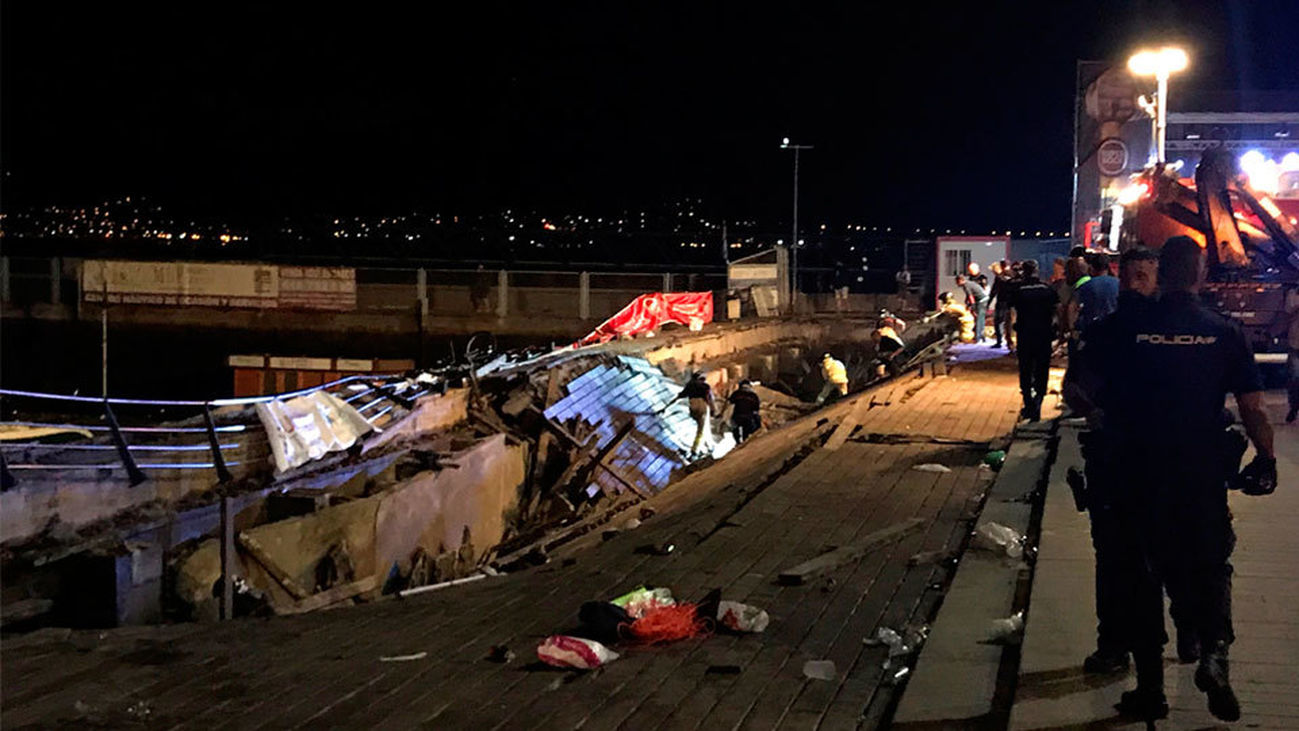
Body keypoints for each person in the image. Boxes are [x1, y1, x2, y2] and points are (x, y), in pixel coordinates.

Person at [1085, 236, 1276, 722]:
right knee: (1211, 565)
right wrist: (1267, 460)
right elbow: (1254, 409)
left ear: (1161, 274)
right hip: (1200, 475)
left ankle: (1150, 691)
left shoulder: (1121, 328)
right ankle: (1214, 653)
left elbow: (1082, 394)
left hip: (1135, 475)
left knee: (1140, 579)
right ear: (1201, 274)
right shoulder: (1224, 332)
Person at [1062, 246, 1159, 676]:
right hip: (1145, 465)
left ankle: (1121, 646)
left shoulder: (1109, 333)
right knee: (1135, 560)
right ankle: (1131, 645)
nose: (1136, 283)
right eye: (1134, 275)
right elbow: (1074, 389)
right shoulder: (1114, 332)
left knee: (1125, 559)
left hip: (1134, 465)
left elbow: (1074, 390)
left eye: (1142, 275)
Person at [1008, 259, 1058, 421]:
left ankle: (1029, 403)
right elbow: (1057, 312)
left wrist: (1009, 336)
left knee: (1026, 369)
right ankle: (1038, 402)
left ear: (1024, 271)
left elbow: (1011, 313)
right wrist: (1058, 332)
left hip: (1025, 335)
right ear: (1036, 270)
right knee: (1042, 369)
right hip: (1044, 335)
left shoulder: (1018, 290)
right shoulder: (1047, 289)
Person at [665, 371, 716, 458]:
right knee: (701, 430)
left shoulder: (690, 385)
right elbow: (709, 398)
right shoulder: (705, 386)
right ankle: (695, 452)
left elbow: (679, 397)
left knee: (704, 427)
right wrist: (713, 410)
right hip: (702, 406)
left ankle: (709, 447)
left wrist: (666, 408)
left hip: (692, 406)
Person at [1074, 251, 1120, 331]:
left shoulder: (1086, 286)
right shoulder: (1119, 284)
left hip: (1092, 329)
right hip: (1116, 328)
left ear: (1091, 268)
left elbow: (1074, 307)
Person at [990, 261, 1018, 350]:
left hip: (1002, 302)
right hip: (1012, 303)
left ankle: (1000, 341)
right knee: (1010, 322)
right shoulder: (1014, 275)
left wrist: (989, 302)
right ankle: (1012, 342)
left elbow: (994, 291)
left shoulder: (999, 277)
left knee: (999, 322)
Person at [956, 274, 990, 344]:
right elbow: (969, 295)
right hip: (984, 299)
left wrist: (973, 307)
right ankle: (982, 336)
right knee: (981, 318)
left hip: (981, 301)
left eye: (957, 282)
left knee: (978, 318)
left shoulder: (966, 285)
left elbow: (971, 297)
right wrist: (967, 303)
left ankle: (977, 338)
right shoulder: (969, 283)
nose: (957, 284)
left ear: (960, 280)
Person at [1286, 287, 1299, 423]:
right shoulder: (1293, 293)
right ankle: (1294, 407)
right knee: (1295, 377)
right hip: (1296, 342)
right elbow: (1290, 308)